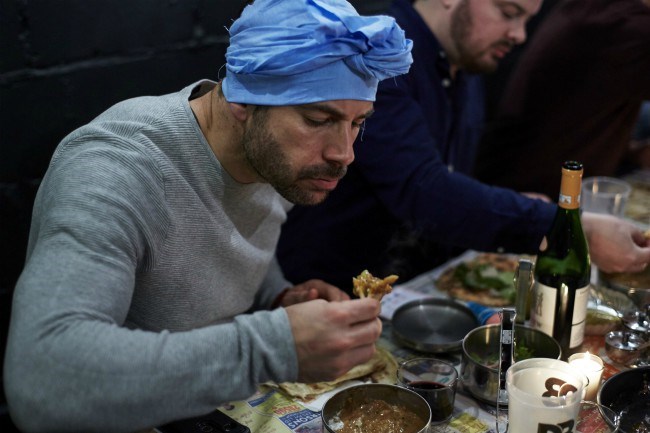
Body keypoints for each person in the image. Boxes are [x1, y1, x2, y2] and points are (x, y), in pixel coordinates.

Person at [2, 1, 413, 431]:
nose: (343, 154)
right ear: (241, 99)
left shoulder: (279, 158)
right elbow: (43, 378)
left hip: (214, 408)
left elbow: (228, 236)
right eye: (317, 119)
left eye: (357, 123)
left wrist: (277, 297)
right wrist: (273, 346)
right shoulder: (118, 168)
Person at [277, 0, 650, 294]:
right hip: (325, 291)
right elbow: (423, 189)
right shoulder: (381, 52)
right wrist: (562, 227)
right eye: (508, 13)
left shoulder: (466, 65)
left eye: (526, 20)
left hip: (416, 287)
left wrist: (513, 203)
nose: (519, 34)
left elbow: (451, 181)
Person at [476, 0, 650, 198]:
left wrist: (631, 153)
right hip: (531, 198)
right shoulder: (627, 28)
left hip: (507, 174)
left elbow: (578, 107)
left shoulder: (594, 9)